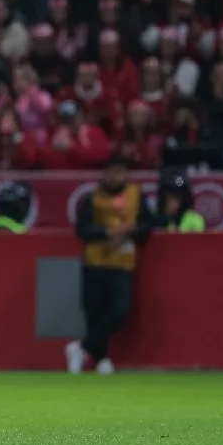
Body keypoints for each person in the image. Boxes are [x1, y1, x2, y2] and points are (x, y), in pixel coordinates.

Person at [66, 154, 154, 375]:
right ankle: (101, 359)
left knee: (120, 312)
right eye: (111, 172)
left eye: (120, 172)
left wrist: (132, 230)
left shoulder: (137, 196)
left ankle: (81, 348)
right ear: (104, 174)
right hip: (95, 262)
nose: (115, 177)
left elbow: (148, 226)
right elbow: (82, 230)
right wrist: (106, 232)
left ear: (127, 175)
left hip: (122, 264)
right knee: (93, 312)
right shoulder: (92, 199)